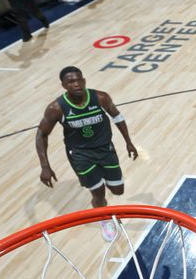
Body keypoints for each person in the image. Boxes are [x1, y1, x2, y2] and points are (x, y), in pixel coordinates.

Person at [36, 66, 138, 241]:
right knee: (98, 193)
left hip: (106, 149)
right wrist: (45, 166)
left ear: (84, 81)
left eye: (78, 80)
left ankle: (102, 203)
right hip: (80, 155)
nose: (76, 84)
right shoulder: (56, 108)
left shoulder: (100, 97)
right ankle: (104, 218)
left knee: (118, 190)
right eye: (71, 82)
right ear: (63, 85)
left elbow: (117, 117)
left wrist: (129, 142)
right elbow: (41, 134)